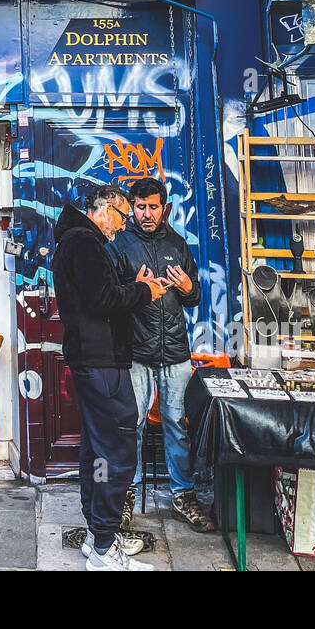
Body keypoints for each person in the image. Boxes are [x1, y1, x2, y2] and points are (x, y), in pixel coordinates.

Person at [53, 185, 169, 571]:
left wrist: (130, 285)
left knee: (97, 450)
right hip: (101, 363)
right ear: (105, 210)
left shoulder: (78, 240)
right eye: (121, 217)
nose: (122, 227)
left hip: (96, 361)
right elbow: (101, 300)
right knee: (115, 451)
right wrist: (143, 290)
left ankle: (97, 537)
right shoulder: (84, 242)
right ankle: (104, 546)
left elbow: (98, 293)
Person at [108, 176, 213, 533]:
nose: (147, 213)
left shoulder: (178, 244)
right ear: (132, 208)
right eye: (140, 207)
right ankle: (126, 496)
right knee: (131, 427)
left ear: (163, 208)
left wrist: (187, 287)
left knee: (178, 427)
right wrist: (134, 288)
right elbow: (110, 297)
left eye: (153, 206)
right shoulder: (120, 244)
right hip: (137, 352)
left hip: (176, 355)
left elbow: (194, 295)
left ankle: (183, 495)